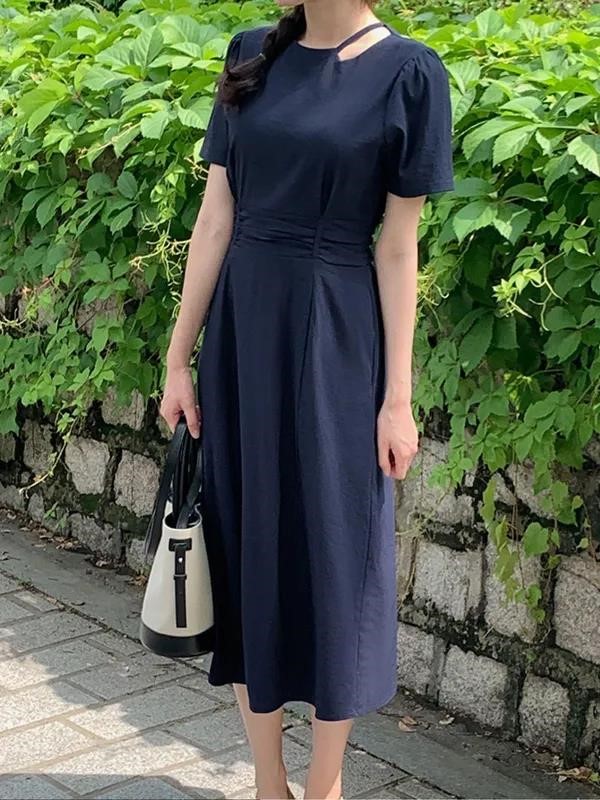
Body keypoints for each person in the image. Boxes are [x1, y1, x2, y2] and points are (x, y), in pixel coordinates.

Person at [160, 0, 455, 797]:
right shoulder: (250, 52)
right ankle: (268, 780)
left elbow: (398, 247)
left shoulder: (410, 73)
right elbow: (215, 217)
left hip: (338, 336)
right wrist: (179, 357)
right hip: (244, 332)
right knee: (245, 537)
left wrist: (398, 398)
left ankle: (325, 783)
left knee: (336, 549)